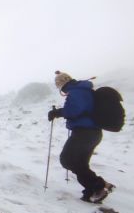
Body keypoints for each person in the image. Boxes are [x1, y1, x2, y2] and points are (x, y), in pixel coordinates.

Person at [48, 71, 115, 203]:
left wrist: (58, 112)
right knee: (80, 163)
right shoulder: (82, 90)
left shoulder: (77, 91)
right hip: (92, 133)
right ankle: (92, 190)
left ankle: (99, 186)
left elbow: (74, 110)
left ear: (61, 84)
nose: (59, 87)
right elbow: (80, 108)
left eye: (58, 84)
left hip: (84, 133)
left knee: (67, 160)